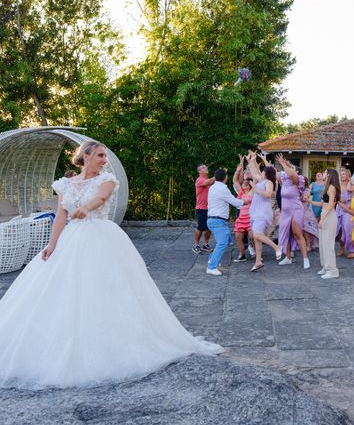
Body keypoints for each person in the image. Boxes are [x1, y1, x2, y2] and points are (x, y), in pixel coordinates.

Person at [0, 141, 223, 389]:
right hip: (71, 241)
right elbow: (61, 215)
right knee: (64, 290)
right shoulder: (65, 184)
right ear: (85, 156)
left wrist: (84, 208)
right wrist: (52, 244)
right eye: (99, 155)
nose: (104, 159)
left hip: (101, 238)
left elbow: (101, 198)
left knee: (107, 288)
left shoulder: (106, 179)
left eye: (105, 155)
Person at [206, 168, 247, 276]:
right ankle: (211, 267)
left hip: (214, 220)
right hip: (217, 221)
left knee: (226, 239)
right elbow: (234, 201)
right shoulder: (223, 188)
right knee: (222, 243)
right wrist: (245, 202)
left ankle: (212, 261)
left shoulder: (212, 187)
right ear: (226, 178)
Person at [246, 150, 282, 271]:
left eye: (263, 171)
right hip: (255, 212)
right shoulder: (261, 180)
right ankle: (258, 262)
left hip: (263, 212)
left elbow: (267, 194)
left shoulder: (269, 182)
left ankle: (277, 248)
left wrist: (255, 189)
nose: (261, 172)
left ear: (266, 173)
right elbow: (253, 170)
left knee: (256, 234)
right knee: (257, 237)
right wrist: (252, 159)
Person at [275, 154, 311, 269]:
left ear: (297, 172)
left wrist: (283, 163)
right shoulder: (284, 181)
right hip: (285, 211)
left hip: (296, 209)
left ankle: (306, 259)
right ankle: (288, 257)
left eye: (292, 167)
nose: (289, 169)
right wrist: (264, 161)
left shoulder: (297, 180)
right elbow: (272, 173)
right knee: (287, 233)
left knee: (296, 233)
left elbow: (291, 173)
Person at [306, 169, 340, 279]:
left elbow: (330, 205)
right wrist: (310, 201)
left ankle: (332, 270)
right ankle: (326, 266)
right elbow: (323, 204)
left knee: (328, 244)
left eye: (325, 172)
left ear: (329, 175)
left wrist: (322, 218)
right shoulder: (327, 187)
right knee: (322, 244)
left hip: (329, 216)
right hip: (325, 213)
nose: (323, 173)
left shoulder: (332, 188)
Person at [232, 155, 254, 262]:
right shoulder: (240, 192)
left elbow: (256, 179)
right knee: (238, 237)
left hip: (251, 218)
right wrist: (238, 169)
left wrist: (250, 162)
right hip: (241, 218)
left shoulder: (253, 192)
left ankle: (257, 252)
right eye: (244, 184)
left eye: (246, 183)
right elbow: (235, 181)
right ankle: (242, 255)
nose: (244, 185)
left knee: (252, 236)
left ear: (250, 185)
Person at [193, 164, 215, 254]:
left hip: (210, 207)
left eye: (206, 167)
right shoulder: (199, 180)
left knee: (209, 227)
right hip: (201, 208)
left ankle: (205, 244)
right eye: (203, 167)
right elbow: (209, 182)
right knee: (201, 227)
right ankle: (196, 245)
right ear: (199, 171)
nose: (206, 168)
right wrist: (219, 174)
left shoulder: (209, 180)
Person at [336, 167, 354, 258]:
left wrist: (348, 199)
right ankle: (341, 248)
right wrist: (338, 200)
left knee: (348, 230)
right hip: (339, 209)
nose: (341, 175)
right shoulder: (337, 185)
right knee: (339, 230)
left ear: (348, 175)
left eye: (343, 174)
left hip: (348, 209)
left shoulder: (351, 185)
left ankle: (353, 250)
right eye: (340, 174)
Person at [301, 176, 320, 252]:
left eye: (303, 181)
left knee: (306, 229)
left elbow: (306, 196)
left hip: (305, 212)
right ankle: (303, 244)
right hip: (297, 211)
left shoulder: (307, 189)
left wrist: (305, 196)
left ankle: (308, 245)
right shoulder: (296, 188)